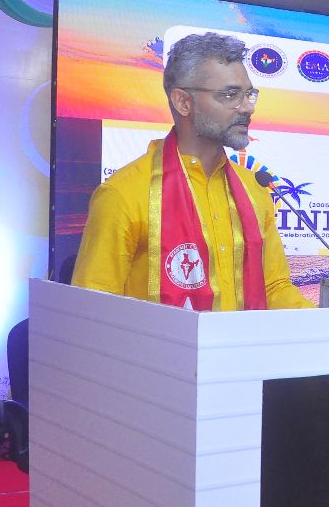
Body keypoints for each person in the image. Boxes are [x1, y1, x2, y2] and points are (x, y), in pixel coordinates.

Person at [73, 32, 311, 311]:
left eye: (249, 94)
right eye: (230, 95)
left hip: (243, 340)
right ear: (183, 102)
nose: (247, 108)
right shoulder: (124, 194)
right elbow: (92, 308)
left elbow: (273, 287)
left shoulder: (254, 189)